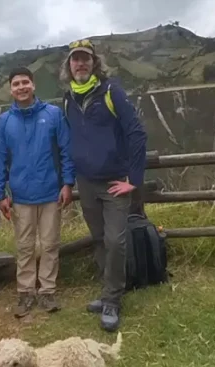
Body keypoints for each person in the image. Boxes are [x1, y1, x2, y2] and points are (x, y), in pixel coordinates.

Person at [61, 39, 147, 332]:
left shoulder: (112, 92)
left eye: (86, 59)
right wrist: (70, 179)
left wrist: (133, 180)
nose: (80, 64)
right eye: (76, 60)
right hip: (86, 182)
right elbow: (71, 141)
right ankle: (108, 291)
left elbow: (137, 133)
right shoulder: (68, 98)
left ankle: (112, 299)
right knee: (99, 239)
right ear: (69, 66)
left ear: (94, 63)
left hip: (114, 182)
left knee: (115, 241)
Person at [0, 67, 75, 318]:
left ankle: (47, 291)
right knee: (25, 246)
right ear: (10, 89)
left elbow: (66, 151)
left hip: (50, 192)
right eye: (16, 84)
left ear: (33, 85)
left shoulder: (53, 115)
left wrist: (68, 183)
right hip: (20, 196)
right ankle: (26, 291)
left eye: (25, 82)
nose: (21, 87)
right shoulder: (4, 122)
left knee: (50, 244)